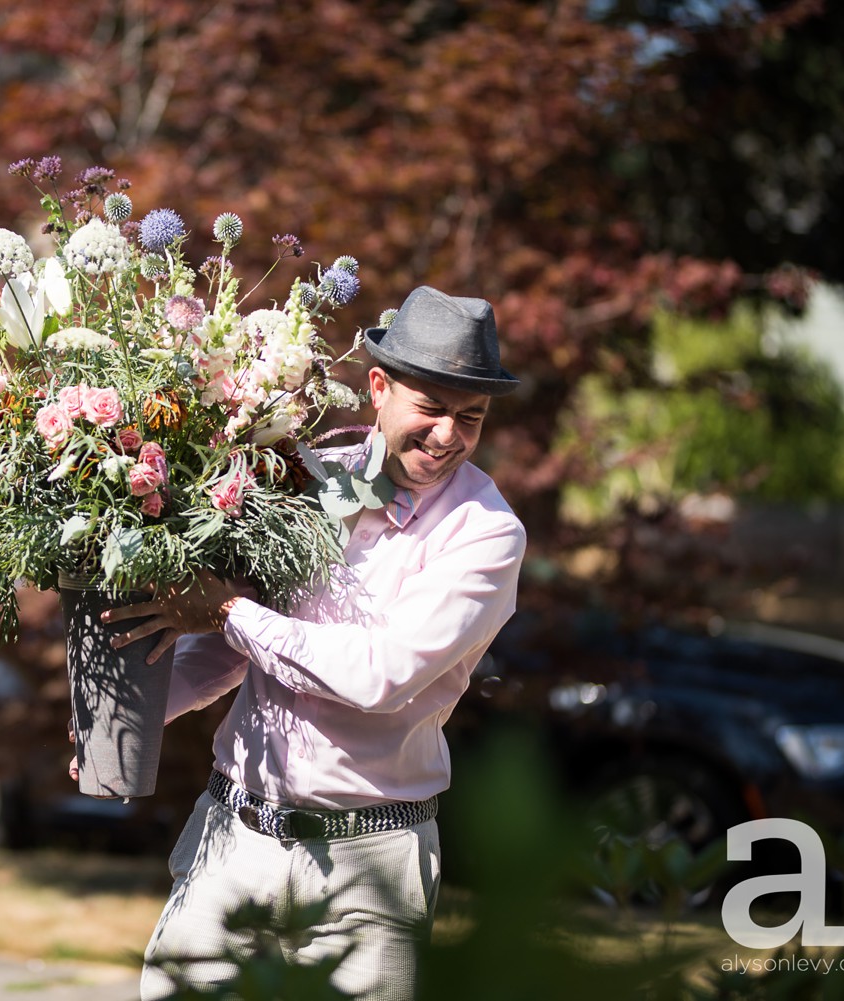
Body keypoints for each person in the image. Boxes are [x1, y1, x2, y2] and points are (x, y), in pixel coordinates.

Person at [101, 284, 529, 1001]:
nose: (449, 434)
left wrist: (230, 608)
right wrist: (121, 718)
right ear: (379, 387)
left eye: (472, 418)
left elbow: (379, 675)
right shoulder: (306, 475)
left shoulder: (487, 535)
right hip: (231, 837)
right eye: (431, 408)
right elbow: (233, 647)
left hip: (369, 864)